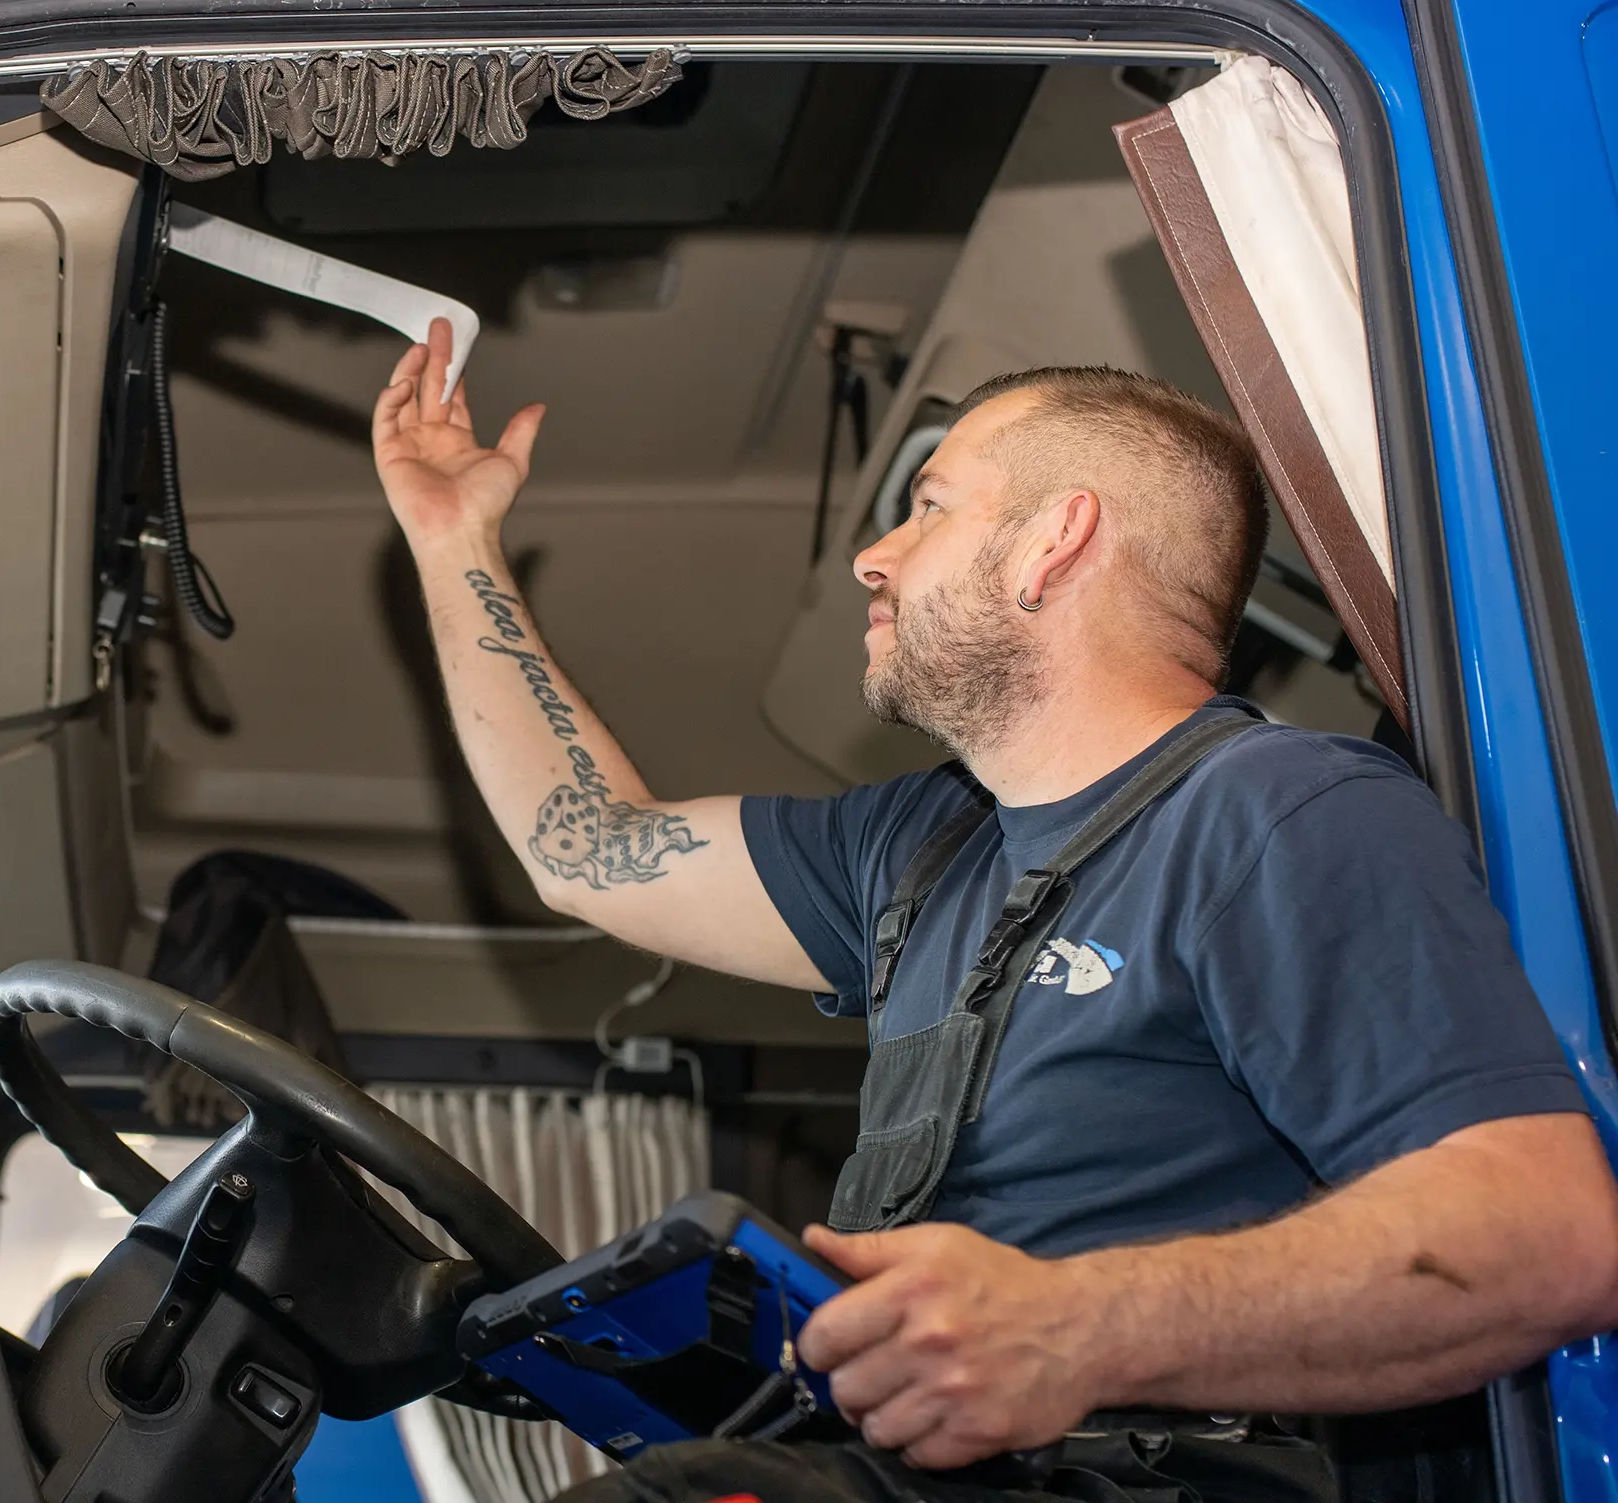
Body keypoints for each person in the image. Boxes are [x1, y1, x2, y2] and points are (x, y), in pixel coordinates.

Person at [369, 318, 1618, 1503]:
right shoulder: (919, 842)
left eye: (926, 506)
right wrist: (449, 537)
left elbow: (1544, 1233)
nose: (874, 553)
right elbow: (583, 850)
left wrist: (1074, 1328)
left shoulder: (1279, 812)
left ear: (1051, 542)